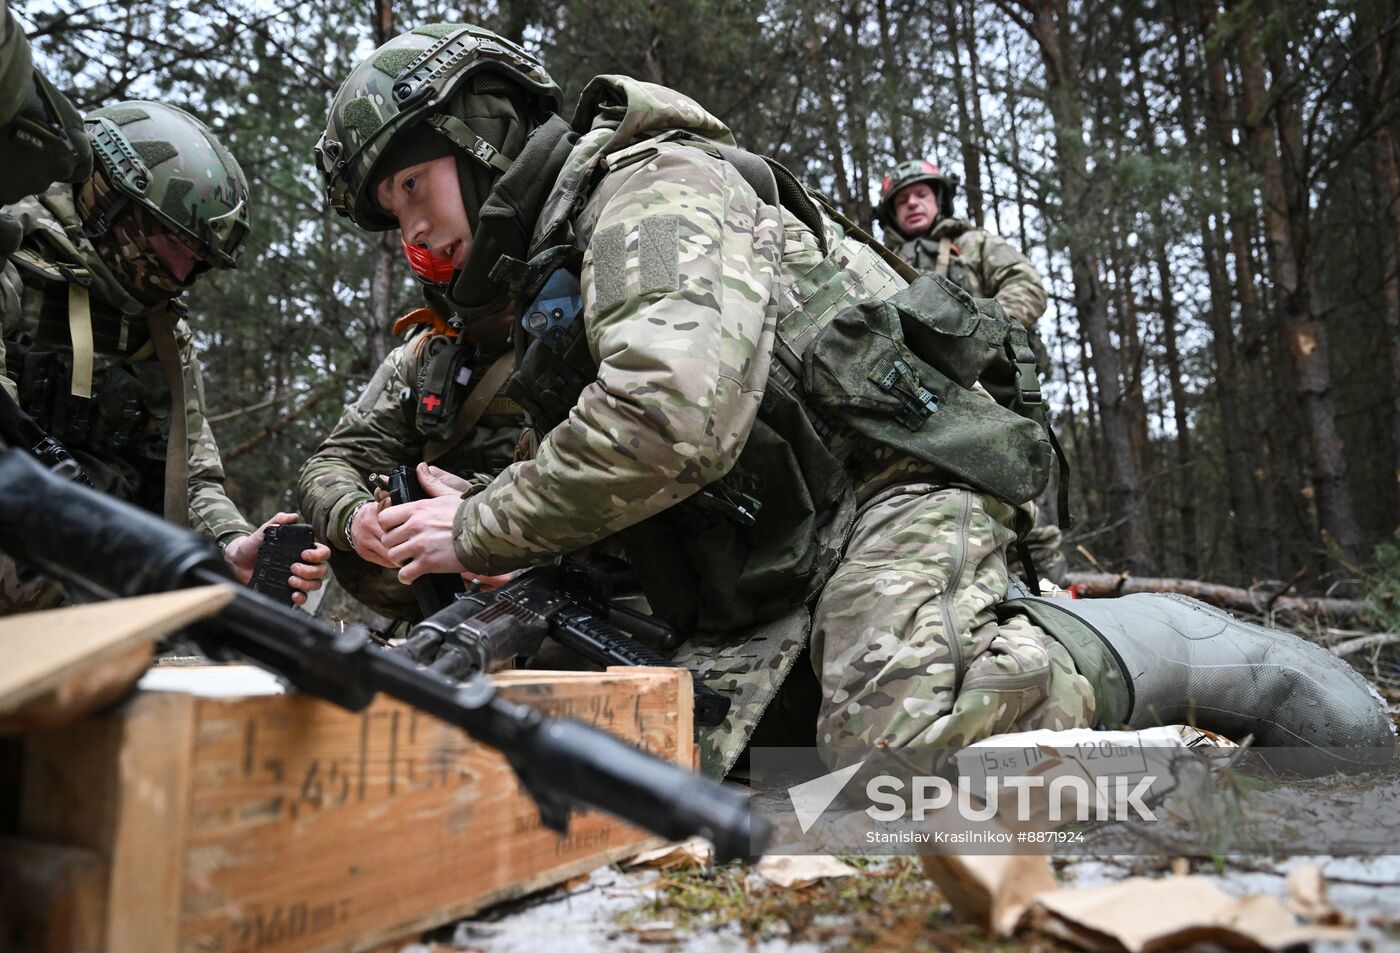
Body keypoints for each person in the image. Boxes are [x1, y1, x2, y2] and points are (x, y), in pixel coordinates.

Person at [312, 23, 1392, 777]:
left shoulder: (650, 190)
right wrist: (496, 537)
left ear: (487, 131)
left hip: (901, 482)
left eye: (414, 186)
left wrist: (482, 521)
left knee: (893, 762)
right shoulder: (539, 277)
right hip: (775, 549)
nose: (410, 230)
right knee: (741, 770)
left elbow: (669, 417)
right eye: (388, 213)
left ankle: (1151, 639)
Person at [0, 98, 330, 611]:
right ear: (112, 202)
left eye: (198, 262)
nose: (180, 275)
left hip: (107, 598)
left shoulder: (162, 332)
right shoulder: (12, 266)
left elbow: (189, 479)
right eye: (176, 244)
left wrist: (230, 549)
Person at [297, 235, 526, 621]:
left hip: (591, 593)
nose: (420, 229)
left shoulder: (579, 339)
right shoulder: (421, 359)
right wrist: (355, 517)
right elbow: (332, 463)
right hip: (446, 612)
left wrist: (503, 537)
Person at [877, 159, 1067, 584]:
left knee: (1027, 507)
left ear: (938, 198)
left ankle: (1051, 601)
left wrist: (979, 331)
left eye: (921, 195)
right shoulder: (877, 260)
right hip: (921, 402)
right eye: (902, 200)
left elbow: (1026, 285)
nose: (912, 205)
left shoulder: (974, 243)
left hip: (993, 392)